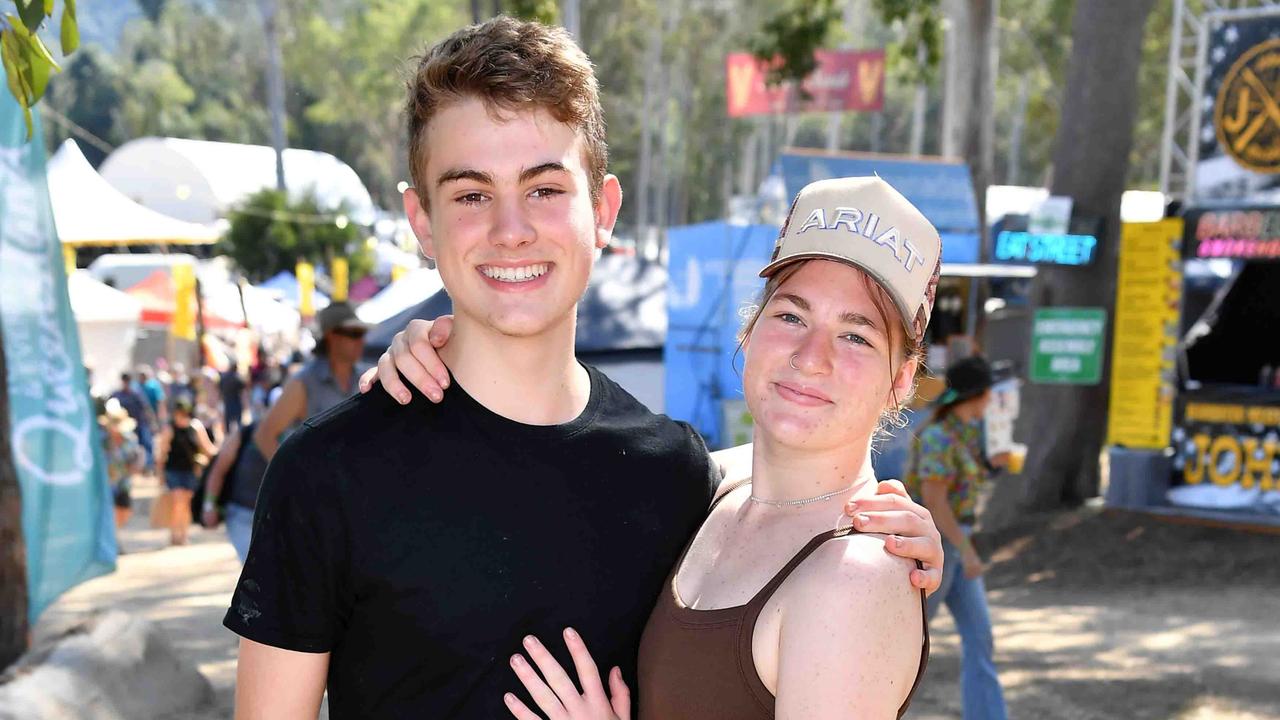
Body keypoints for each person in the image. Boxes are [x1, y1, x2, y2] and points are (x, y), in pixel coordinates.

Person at [225, 18, 942, 719]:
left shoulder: (671, 473)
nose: (512, 230)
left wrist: (894, 537)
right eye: (471, 195)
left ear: (603, 209)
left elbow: (814, 503)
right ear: (421, 223)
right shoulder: (328, 471)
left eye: (544, 189)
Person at [382, 178, 940, 719]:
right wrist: (439, 352)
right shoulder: (705, 484)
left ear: (901, 378)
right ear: (751, 328)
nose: (811, 355)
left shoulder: (855, 578)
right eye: (791, 315)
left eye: (856, 335)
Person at [905, 355, 1010, 720]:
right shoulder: (937, 437)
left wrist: (995, 467)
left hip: (958, 540)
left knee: (980, 637)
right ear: (979, 395)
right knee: (907, 643)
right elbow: (935, 503)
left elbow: (967, 486)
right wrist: (966, 551)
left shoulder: (968, 433)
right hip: (938, 546)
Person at [251, 301, 371, 461]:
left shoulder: (365, 376)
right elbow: (264, 437)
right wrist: (297, 479)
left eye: (362, 334)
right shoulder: (303, 383)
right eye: (355, 334)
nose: (361, 341)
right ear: (332, 336)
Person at [200, 420, 267, 563]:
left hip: (272, 518)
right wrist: (209, 506)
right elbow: (218, 471)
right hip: (240, 515)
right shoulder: (246, 433)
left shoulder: (297, 434)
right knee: (253, 565)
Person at [155, 397, 219, 546]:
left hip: (191, 470)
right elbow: (162, 452)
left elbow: (207, 447)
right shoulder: (169, 429)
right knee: (178, 501)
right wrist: (160, 473)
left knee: (187, 502)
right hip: (173, 470)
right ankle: (174, 534)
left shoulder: (195, 427)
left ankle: (183, 533)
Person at [100, 398, 143, 530]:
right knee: (110, 510)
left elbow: (137, 456)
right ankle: (114, 537)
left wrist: (135, 468)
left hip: (124, 480)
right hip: (107, 481)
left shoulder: (129, 439)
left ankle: (115, 533)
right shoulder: (102, 440)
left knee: (125, 510)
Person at [111, 372, 157, 476]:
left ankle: (147, 467)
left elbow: (147, 409)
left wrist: (152, 423)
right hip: (123, 427)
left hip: (139, 424)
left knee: (145, 445)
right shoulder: (117, 395)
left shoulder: (137, 394)